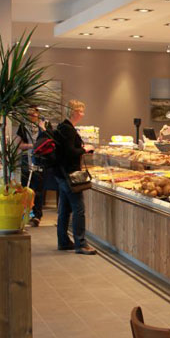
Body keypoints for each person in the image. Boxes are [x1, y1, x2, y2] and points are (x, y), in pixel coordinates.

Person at [54, 99, 97, 255]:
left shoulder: (62, 127)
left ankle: (63, 241)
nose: (82, 114)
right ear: (73, 112)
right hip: (70, 175)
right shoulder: (68, 129)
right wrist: (85, 149)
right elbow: (70, 152)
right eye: (80, 111)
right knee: (78, 209)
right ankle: (81, 244)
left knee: (64, 209)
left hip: (61, 174)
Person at [15, 107, 46, 226]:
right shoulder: (23, 126)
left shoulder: (44, 125)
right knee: (26, 188)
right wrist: (33, 146)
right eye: (29, 113)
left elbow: (49, 141)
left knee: (38, 190)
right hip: (26, 160)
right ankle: (26, 214)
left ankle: (37, 216)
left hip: (40, 161)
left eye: (34, 113)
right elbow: (19, 144)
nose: (32, 115)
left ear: (38, 114)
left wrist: (43, 129)